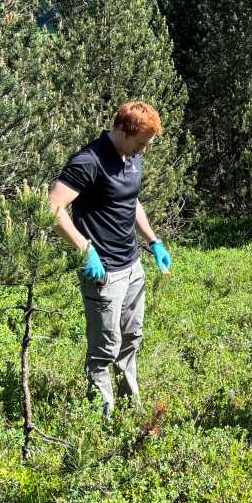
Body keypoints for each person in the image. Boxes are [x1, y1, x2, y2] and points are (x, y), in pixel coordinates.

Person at [48, 101, 173, 419]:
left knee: (132, 337)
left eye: (147, 145)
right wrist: (85, 249)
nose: (143, 151)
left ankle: (132, 404)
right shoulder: (89, 161)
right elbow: (52, 207)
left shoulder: (131, 158)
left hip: (132, 267)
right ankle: (101, 416)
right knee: (105, 345)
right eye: (140, 144)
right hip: (104, 273)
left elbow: (131, 203)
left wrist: (154, 241)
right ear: (122, 130)